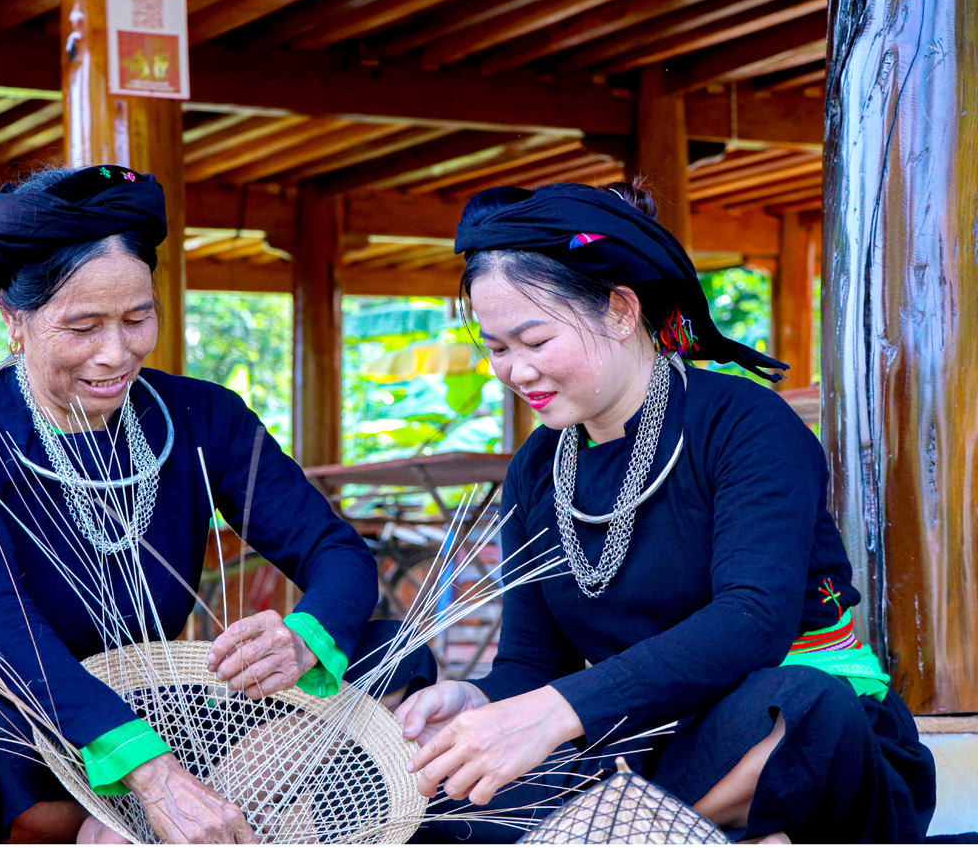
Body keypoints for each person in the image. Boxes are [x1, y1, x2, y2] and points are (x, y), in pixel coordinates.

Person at [0, 165, 432, 844]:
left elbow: (335, 551)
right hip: (20, 716)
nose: (116, 353)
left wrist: (301, 637)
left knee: (390, 649)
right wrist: (153, 777)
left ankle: (218, 803)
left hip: (157, 706)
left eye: (137, 317)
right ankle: (137, 817)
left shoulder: (201, 416)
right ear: (14, 316)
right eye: (84, 326)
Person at [395, 182, 936, 843]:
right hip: (654, 749)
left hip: (781, 735)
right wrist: (477, 698)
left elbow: (752, 621)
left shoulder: (743, 423)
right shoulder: (537, 468)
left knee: (806, 708)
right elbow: (533, 667)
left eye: (534, 339)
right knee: (439, 798)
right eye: (499, 347)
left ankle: (624, 832)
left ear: (621, 309)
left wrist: (558, 710)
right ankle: (675, 833)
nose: (515, 370)